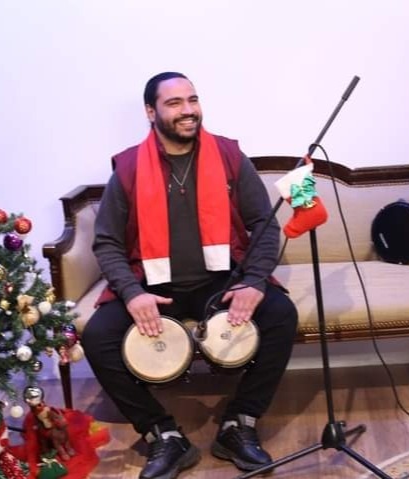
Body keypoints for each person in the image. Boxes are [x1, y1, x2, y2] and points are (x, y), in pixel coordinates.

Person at [81, 72, 298, 478]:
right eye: (175, 103)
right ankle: (163, 435)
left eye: (192, 100)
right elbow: (107, 242)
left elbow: (265, 224)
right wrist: (132, 294)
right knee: (97, 337)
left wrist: (253, 282)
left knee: (281, 314)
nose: (188, 110)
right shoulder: (128, 167)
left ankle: (239, 424)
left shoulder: (229, 156)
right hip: (153, 287)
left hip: (220, 282)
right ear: (151, 112)